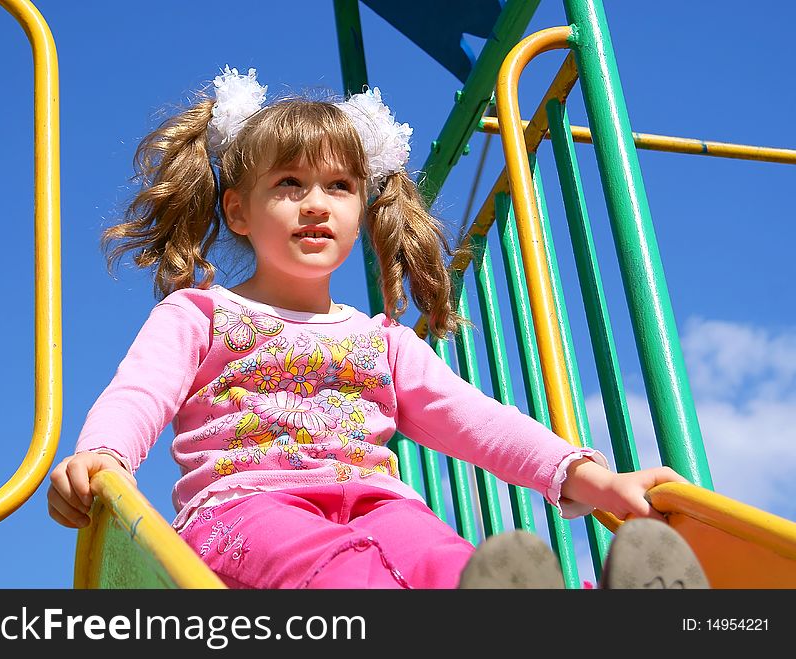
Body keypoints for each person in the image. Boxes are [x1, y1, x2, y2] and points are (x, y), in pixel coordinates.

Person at [47, 66, 706, 589]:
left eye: (338, 185)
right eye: (289, 183)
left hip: (379, 503)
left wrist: (588, 476)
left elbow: (476, 418)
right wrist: (105, 455)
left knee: (442, 555)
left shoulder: (382, 340)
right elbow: (140, 392)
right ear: (239, 210)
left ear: (362, 208)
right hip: (243, 514)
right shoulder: (201, 314)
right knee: (339, 569)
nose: (315, 203)